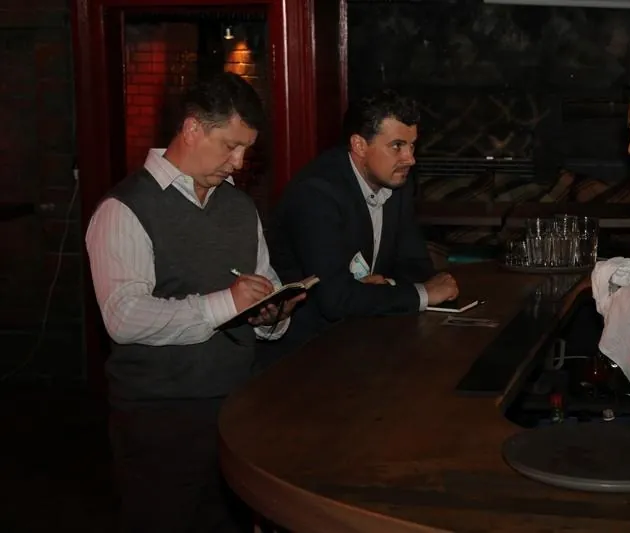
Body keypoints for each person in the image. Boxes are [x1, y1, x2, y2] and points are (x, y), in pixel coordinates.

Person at [85, 72, 303, 533]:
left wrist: (271, 314)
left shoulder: (240, 208)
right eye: (230, 146)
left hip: (238, 406)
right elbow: (123, 317)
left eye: (246, 150)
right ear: (192, 129)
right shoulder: (124, 208)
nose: (238, 163)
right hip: (162, 417)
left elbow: (263, 283)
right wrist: (225, 304)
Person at [264, 89, 459, 357]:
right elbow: (335, 300)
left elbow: (416, 265)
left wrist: (385, 288)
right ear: (359, 145)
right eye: (397, 146)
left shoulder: (398, 183)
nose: (410, 159)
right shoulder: (316, 193)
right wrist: (422, 294)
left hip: (364, 338)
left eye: (412, 145)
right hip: (306, 352)